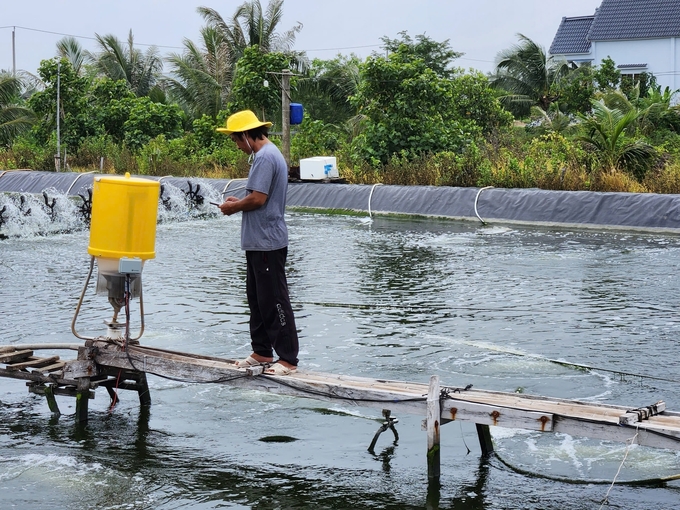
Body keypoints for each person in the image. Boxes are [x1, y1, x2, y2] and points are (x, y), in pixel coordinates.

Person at [216, 110, 299, 376]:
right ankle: (262, 351)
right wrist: (238, 201)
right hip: (258, 242)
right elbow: (254, 195)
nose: (237, 146)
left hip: (267, 243)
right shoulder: (267, 155)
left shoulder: (264, 157)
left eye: (236, 140)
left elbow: (258, 199)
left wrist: (234, 207)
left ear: (246, 135)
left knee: (274, 300)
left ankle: (287, 358)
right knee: (257, 299)